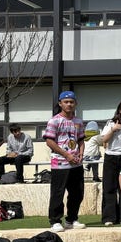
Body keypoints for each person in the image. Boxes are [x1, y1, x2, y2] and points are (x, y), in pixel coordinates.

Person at [44, 90, 86, 232]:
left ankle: (71, 219)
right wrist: (66, 154)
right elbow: (49, 141)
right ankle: (55, 221)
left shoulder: (78, 121)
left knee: (77, 193)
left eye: (71, 102)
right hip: (60, 163)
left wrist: (81, 153)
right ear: (60, 103)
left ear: (76, 104)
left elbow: (81, 140)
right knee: (58, 193)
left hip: (76, 163)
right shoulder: (54, 121)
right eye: (66, 102)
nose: (69, 104)